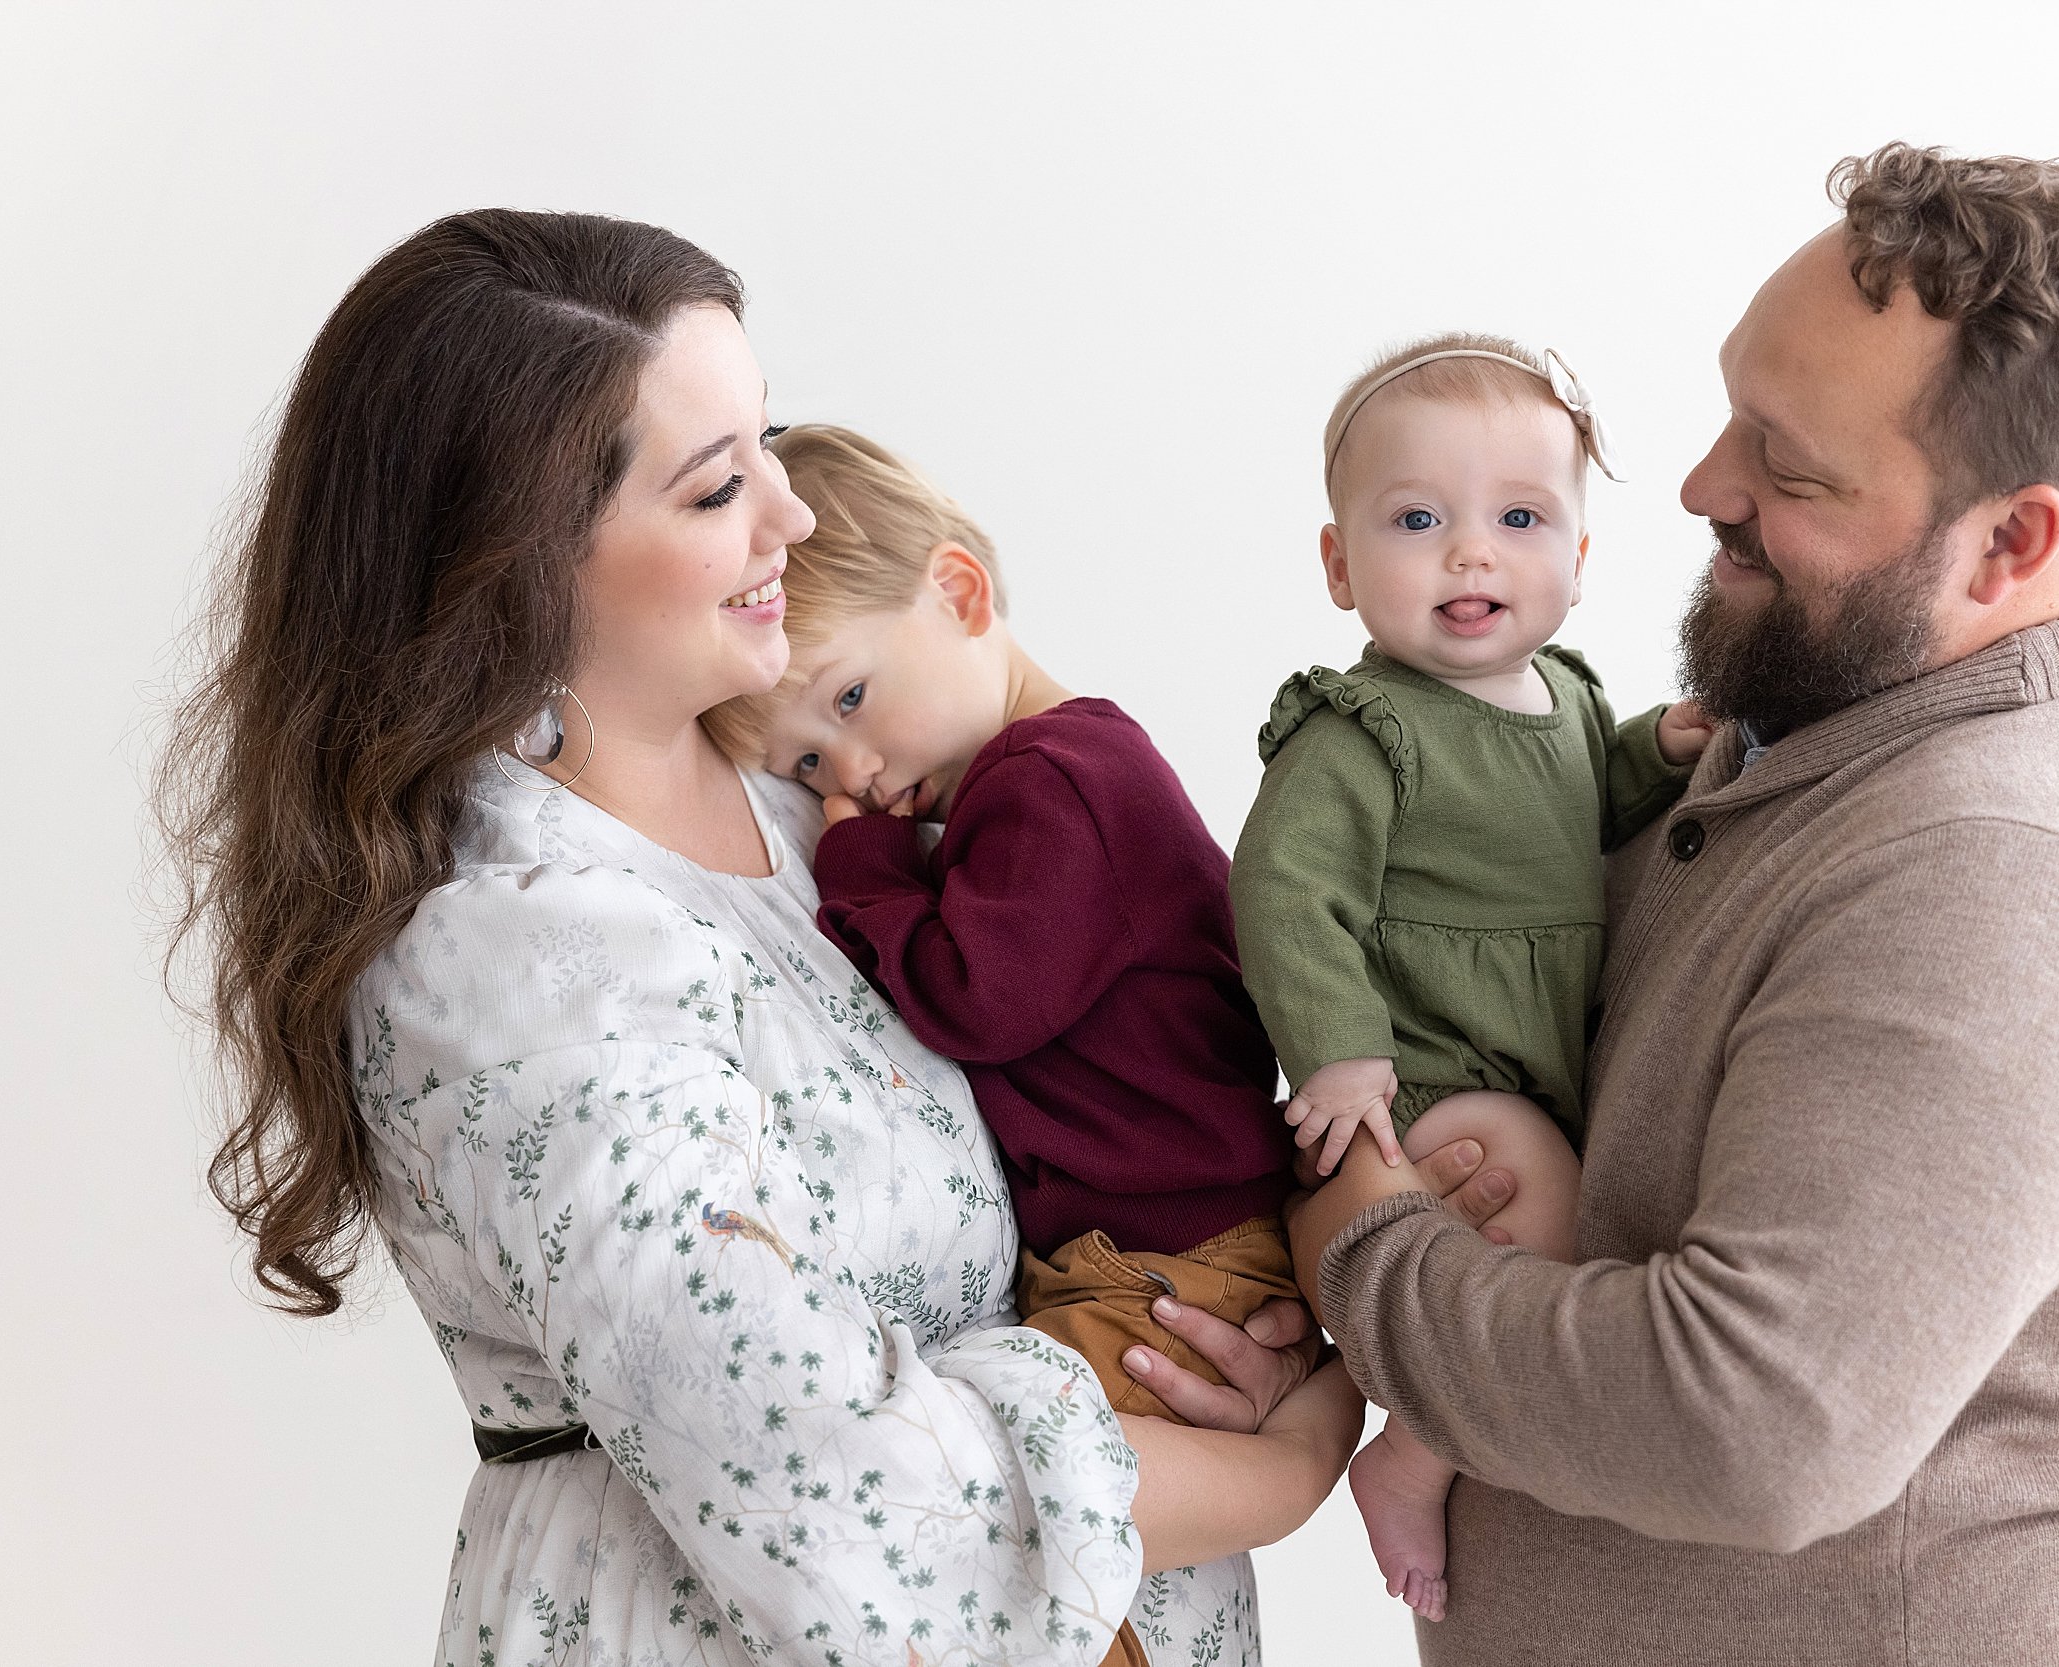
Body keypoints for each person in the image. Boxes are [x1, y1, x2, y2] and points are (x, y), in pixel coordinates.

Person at [162, 209, 1361, 1667]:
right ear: (525, 567)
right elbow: (840, 1491)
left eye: (770, 442)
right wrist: (1289, 1460)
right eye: (721, 484)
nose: (792, 516)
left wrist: (1253, 1305)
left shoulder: (822, 809)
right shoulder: (524, 956)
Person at [1288, 144, 2059, 1665]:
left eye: (1788, 467)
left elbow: (1749, 1423)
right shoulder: (1823, 692)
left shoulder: (2012, 875)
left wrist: (1363, 1256)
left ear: (2013, 543)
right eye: (1736, 406)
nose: (1700, 487)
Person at [1228, 333, 1711, 1619]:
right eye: (1417, 519)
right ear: (1339, 563)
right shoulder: (1359, 730)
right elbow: (1286, 889)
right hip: (1437, 1070)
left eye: (1517, 517)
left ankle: (1434, 1433)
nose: (1470, 553)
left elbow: (1582, 801)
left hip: (1540, 1059)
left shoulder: (1560, 691)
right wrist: (1341, 1053)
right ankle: (1414, 1455)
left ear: (1577, 559)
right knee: (1554, 1234)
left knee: (1578, 1230)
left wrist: (1655, 748)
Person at [710, 422, 1304, 1431]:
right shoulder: (1043, 776)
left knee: (1030, 1482)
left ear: (958, 592)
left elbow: (977, 998)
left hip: (1172, 1251)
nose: (850, 773)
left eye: (850, 698)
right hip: (1145, 1246)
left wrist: (864, 872)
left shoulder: (1053, 784)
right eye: (806, 766)